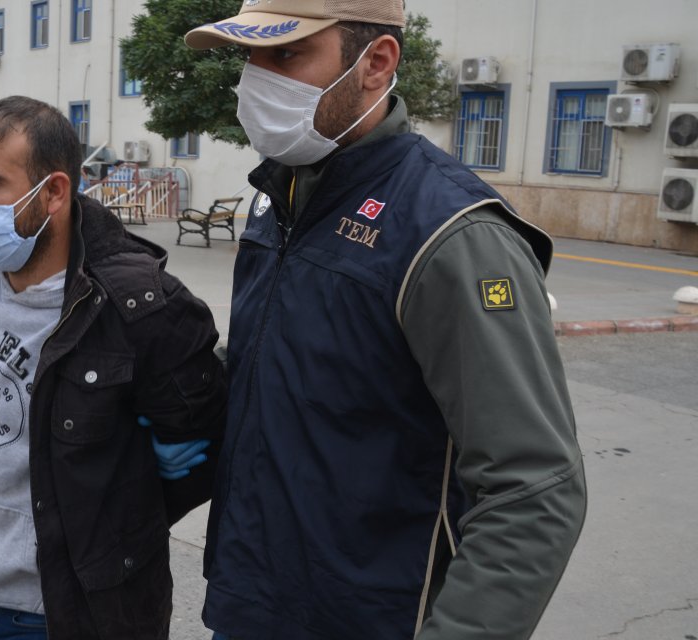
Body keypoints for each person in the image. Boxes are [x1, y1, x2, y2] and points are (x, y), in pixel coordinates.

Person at [183, 1, 587, 638]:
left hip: (374, 616)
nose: (255, 79)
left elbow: (533, 486)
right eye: (250, 56)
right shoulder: (281, 194)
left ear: (375, 63)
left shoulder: (452, 233)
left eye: (285, 54)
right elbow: (271, 370)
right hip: (251, 600)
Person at [0, 96, 227, 640]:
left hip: (65, 609)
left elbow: (197, 452)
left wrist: (112, 533)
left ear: (54, 191)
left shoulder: (141, 305)